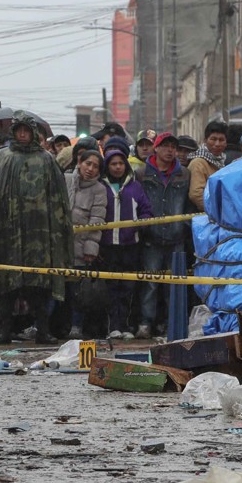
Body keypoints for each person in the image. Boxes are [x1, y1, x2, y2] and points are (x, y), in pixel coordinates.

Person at [0, 110, 73, 344]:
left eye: (28, 131)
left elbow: (58, 198)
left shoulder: (47, 160)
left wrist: (60, 229)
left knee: (40, 283)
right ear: (14, 132)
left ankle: (43, 330)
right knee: (7, 282)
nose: (24, 135)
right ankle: (4, 329)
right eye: (20, 131)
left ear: (34, 133)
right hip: (8, 231)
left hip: (40, 232)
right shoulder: (2, 158)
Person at [137, 132, 191, 339]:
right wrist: (144, 227)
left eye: (173, 147)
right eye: (166, 146)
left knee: (174, 285)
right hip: (151, 238)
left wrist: (185, 226)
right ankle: (145, 322)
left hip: (177, 237)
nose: (170, 151)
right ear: (156, 148)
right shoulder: (142, 173)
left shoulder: (184, 174)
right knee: (149, 283)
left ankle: (172, 323)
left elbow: (188, 204)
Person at [99, 142, 152, 340]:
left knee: (130, 288)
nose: (118, 167)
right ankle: (113, 326)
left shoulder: (135, 186)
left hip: (131, 245)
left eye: (121, 163)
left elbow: (147, 210)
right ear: (107, 166)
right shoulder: (100, 186)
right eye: (113, 164)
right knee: (111, 288)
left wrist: (140, 225)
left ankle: (128, 325)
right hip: (108, 246)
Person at [65, 149, 108, 338]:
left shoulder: (99, 189)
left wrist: (91, 248)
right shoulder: (65, 179)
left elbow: (97, 219)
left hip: (80, 247)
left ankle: (76, 326)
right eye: (87, 163)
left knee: (78, 292)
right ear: (79, 162)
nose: (90, 169)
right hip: (58, 245)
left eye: (95, 166)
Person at [187, 120, 229, 212]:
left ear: (226, 143)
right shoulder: (198, 162)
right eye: (213, 139)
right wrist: (217, 212)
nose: (217, 144)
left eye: (221, 140)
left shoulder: (222, 161)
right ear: (205, 140)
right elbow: (196, 194)